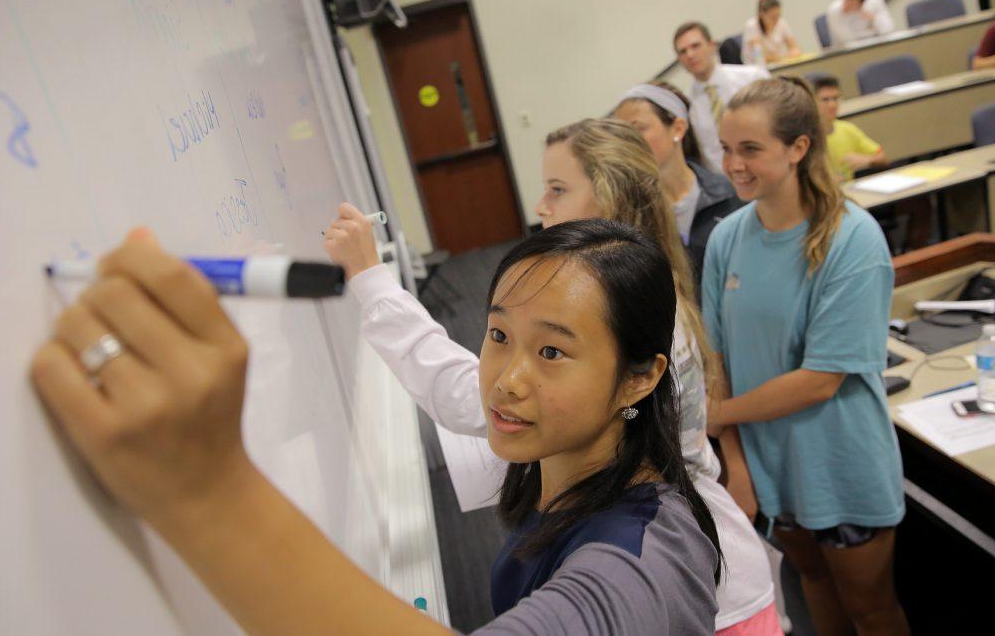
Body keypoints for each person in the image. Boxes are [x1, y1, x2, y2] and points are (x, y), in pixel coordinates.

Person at [30, 220, 723, 634]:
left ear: (639, 376)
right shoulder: (566, 472)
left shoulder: (643, 556)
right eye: (497, 335)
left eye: (551, 351)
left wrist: (207, 491)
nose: (507, 377)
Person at [326, 119, 781, 634]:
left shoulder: (635, 549)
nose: (541, 206)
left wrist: (370, 281)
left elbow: (460, 392)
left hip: (725, 598)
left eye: (558, 190)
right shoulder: (638, 312)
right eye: (497, 335)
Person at [704, 77, 910, 636]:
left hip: (839, 466)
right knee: (813, 584)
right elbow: (716, 362)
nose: (733, 164)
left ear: (798, 149)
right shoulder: (727, 239)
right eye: (725, 148)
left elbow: (821, 380)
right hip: (771, 469)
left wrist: (719, 418)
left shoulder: (853, 240)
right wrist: (738, 467)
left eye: (750, 149)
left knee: (872, 609)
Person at [611, 82, 744, 285]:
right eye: (621, 135)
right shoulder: (626, 215)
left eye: (638, 129)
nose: (628, 143)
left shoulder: (730, 194)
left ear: (678, 128)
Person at [673, 22, 769, 175]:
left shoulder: (752, 78)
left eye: (695, 46)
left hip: (764, 170)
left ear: (712, 46)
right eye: (683, 52)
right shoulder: (683, 105)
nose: (690, 55)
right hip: (723, 185)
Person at [812, 75, 887, 182]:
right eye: (825, 100)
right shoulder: (807, 139)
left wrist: (868, 160)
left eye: (836, 98)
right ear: (812, 102)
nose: (832, 104)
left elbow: (882, 158)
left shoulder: (847, 129)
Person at [825, 0, 895, 46]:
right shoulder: (834, 10)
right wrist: (871, 31)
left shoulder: (875, 2)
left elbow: (888, 29)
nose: (846, 4)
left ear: (861, 3)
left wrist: (873, 19)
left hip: (876, 45)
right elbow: (847, 39)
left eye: (852, 2)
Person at [742, 0, 802, 65]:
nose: (775, 20)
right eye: (772, 16)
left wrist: (793, 52)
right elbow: (762, 56)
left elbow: (795, 47)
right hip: (756, 67)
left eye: (778, 15)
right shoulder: (752, 26)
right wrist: (781, 57)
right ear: (761, 14)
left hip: (778, 64)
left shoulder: (781, 22)